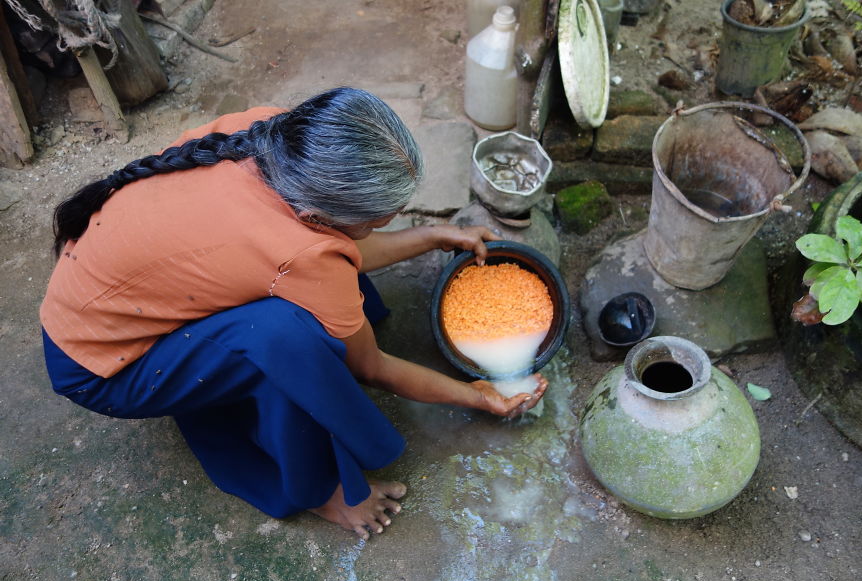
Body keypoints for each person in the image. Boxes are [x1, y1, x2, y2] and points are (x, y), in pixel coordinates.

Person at [40, 87, 547, 540]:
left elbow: (335, 250)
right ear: (317, 217)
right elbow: (371, 367)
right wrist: (476, 395)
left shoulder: (272, 132)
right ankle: (320, 490)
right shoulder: (304, 256)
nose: (384, 226)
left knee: (303, 309)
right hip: (103, 366)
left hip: (98, 298)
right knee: (288, 343)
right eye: (378, 222)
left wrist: (433, 236)